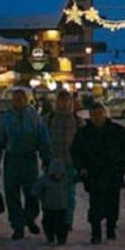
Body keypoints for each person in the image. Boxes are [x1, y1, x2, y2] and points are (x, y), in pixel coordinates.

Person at [0, 87, 52, 240]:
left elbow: (43, 138)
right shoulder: (6, 119)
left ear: (26, 100)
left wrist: (46, 157)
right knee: (12, 195)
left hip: (29, 158)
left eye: (21, 98)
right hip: (12, 159)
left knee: (32, 193)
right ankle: (18, 226)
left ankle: (29, 218)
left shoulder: (34, 117)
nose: (18, 101)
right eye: (15, 99)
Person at [71, 102, 125, 244]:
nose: (97, 117)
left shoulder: (117, 131)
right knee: (96, 205)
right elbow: (75, 152)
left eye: (99, 114)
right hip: (94, 174)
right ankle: (96, 232)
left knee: (112, 203)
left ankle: (111, 228)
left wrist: (122, 168)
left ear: (104, 114)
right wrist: (81, 167)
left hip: (113, 173)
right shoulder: (83, 133)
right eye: (94, 115)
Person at [45, 90, 80, 228]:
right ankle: (53, 221)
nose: (64, 103)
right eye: (61, 100)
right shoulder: (49, 119)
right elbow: (43, 139)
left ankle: (67, 221)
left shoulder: (76, 120)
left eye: (66, 100)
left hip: (70, 163)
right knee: (51, 194)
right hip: (53, 163)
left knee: (70, 194)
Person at [31, 159, 74, 246]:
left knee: (62, 225)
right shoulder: (44, 180)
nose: (58, 176)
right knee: (48, 224)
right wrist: (38, 197)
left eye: (59, 174)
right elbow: (35, 189)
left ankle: (62, 238)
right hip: (48, 208)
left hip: (62, 208)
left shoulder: (66, 179)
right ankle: (50, 237)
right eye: (55, 174)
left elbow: (74, 179)